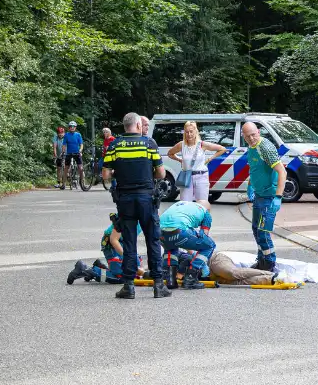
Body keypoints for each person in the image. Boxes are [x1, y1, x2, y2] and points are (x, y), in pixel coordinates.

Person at [102, 112, 170, 299]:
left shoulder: (114, 145)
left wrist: (120, 173)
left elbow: (106, 175)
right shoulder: (149, 144)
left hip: (125, 200)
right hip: (146, 199)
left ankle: (128, 287)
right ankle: (158, 286)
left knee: (129, 242)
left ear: (125, 126)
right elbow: (162, 174)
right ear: (139, 125)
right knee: (153, 240)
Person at [242, 122, 286, 271]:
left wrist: (278, 197)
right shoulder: (251, 147)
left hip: (269, 196)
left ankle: (269, 264)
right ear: (244, 137)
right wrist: (250, 185)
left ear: (258, 132)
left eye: (253, 135)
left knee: (263, 231)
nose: (251, 138)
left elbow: (282, 172)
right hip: (259, 195)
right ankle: (261, 260)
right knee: (256, 229)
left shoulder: (265, 148)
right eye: (247, 136)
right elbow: (254, 169)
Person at [65, 213, 142, 284]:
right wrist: (128, 259)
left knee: (134, 269)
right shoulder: (129, 214)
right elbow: (114, 240)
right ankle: (85, 270)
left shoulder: (145, 215)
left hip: (122, 243)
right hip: (111, 244)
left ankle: (101, 267)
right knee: (121, 277)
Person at [158, 200, 216, 290]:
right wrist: (201, 263)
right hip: (180, 231)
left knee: (170, 248)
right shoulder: (205, 212)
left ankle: (170, 280)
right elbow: (204, 237)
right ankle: (190, 279)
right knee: (210, 245)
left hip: (160, 233)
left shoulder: (180, 204)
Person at [167, 121, 227, 202]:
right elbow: (170, 153)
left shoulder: (202, 144)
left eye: (191, 131)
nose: (189, 134)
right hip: (187, 177)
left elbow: (222, 149)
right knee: (185, 204)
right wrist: (180, 160)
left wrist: (210, 158)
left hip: (201, 177)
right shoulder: (181, 145)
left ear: (196, 131)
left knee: (202, 204)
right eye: (187, 132)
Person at [62, 121, 84, 189]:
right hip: (69, 153)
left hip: (77, 153)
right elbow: (64, 145)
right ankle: (63, 184)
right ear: (69, 128)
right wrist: (63, 152)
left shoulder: (78, 135)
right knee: (66, 168)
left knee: (80, 168)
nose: (72, 128)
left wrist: (80, 150)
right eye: (70, 126)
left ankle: (82, 182)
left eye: (73, 126)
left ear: (75, 127)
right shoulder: (66, 135)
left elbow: (81, 144)